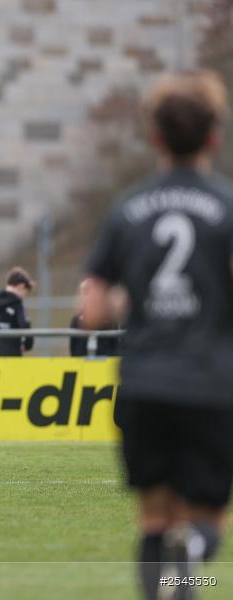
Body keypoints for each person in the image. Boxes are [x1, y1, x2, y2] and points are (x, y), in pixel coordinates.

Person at [82, 70, 233, 600]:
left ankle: (175, 583)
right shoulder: (228, 207)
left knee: (154, 521)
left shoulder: (127, 209)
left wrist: (136, 297)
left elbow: (93, 310)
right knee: (204, 519)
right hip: (212, 385)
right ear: (214, 136)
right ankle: (193, 555)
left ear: (156, 138)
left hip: (144, 383)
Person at [69, 278, 120, 357]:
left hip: (105, 362)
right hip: (82, 364)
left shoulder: (110, 319)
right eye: (85, 292)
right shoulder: (76, 319)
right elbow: (73, 348)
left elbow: (115, 345)